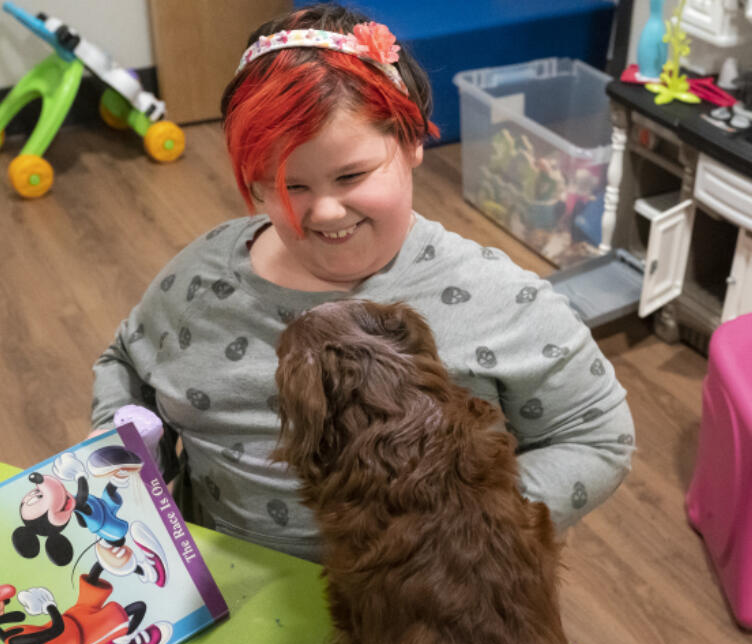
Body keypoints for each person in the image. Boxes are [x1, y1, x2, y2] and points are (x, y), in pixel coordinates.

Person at [90, 2, 635, 562]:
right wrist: (130, 466)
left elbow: (597, 437)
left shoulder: (502, 300)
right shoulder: (197, 281)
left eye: (351, 175)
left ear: (413, 139)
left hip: (424, 614)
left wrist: (473, 527)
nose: (325, 212)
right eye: (286, 185)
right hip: (221, 592)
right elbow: (126, 364)